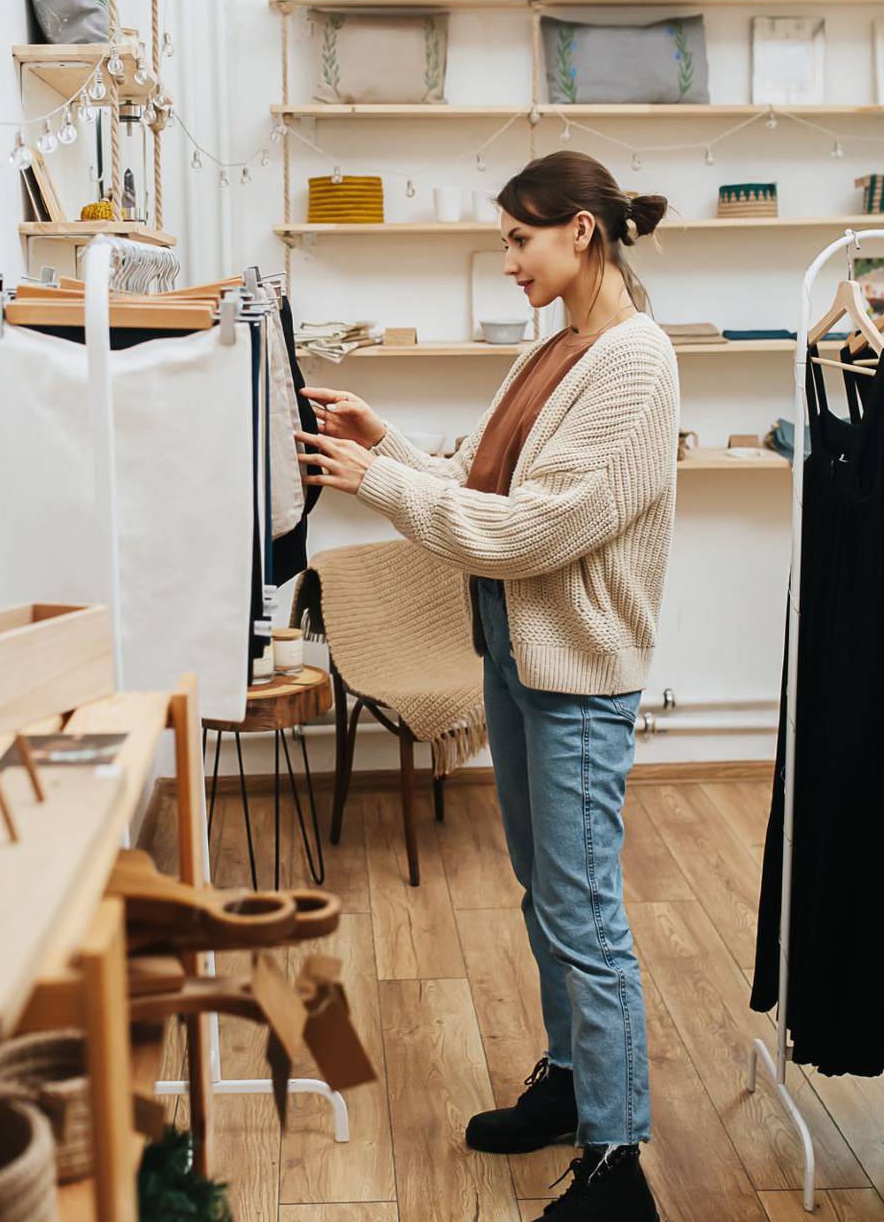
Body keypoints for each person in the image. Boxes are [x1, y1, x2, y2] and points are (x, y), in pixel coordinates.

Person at [296, 150, 676, 1221]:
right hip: (514, 656)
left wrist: (374, 483)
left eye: (519, 238)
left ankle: (618, 1161)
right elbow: (479, 482)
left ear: (581, 234)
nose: (507, 259)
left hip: (578, 676)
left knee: (585, 911)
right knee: (544, 891)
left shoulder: (636, 364)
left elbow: (533, 531)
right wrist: (391, 444)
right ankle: (570, 1080)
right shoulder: (555, 348)